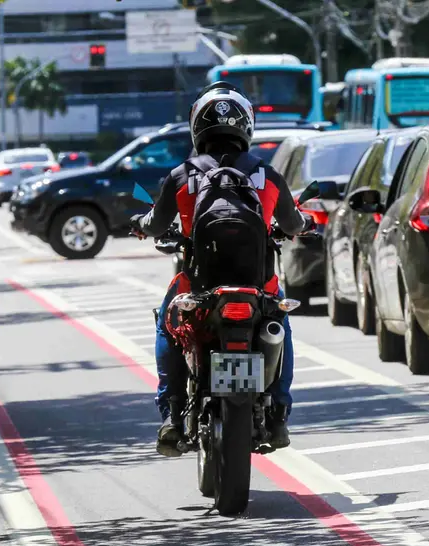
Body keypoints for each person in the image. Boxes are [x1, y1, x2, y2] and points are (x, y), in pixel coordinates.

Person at [132, 82, 314, 458]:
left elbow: (152, 224)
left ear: (197, 126)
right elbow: (294, 224)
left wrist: (139, 222)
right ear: (246, 125)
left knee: (167, 322)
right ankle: (279, 415)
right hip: (258, 285)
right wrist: (306, 222)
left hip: (199, 284)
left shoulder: (181, 175)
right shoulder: (266, 175)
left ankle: (172, 417)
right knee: (280, 323)